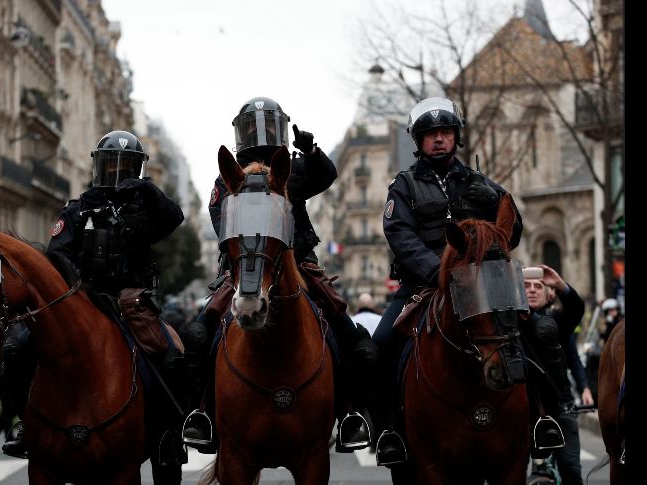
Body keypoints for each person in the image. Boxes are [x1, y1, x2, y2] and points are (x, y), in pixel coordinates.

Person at [180, 96, 378, 453]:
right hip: (244, 270)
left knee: (349, 334)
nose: (261, 133)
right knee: (198, 334)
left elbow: (327, 176)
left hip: (298, 262)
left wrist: (312, 151)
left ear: (281, 129)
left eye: (269, 125)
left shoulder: (292, 168)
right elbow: (222, 224)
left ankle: (350, 413)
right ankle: (203, 412)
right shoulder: (228, 179)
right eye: (253, 126)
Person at [0, 131, 188, 473]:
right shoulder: (77, 208)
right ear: (97, 167)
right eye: (110, 165)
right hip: (83, 299)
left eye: (126, 167)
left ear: (138, 170)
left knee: (171, 355)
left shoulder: (143, 206)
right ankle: (26, 424)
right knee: (16, 348)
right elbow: (57, 255)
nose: (117, 173)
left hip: (130, 299)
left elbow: (174, 218)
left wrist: (146, 189)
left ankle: (168, 434)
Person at [371, 96, 524, 467]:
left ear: (456, 137)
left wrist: (498, 199)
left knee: (538, 331)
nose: (439, 139)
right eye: (431, 134)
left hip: (485, 284)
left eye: (445, 132)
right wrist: (440, 273)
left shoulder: (481, 182)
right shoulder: (403, 186)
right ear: (419, 141)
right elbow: (400, 235)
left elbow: (512, 233)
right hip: (424, 285)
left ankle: (545, 417)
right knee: (379, 346)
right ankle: (388, 428)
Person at [522, 264, 590, 485]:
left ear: (547, 293)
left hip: (560, 407)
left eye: (538, 286)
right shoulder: (507, 323)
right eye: (526, 286)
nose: (532, 290)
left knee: (570, 468)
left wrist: (561, 285)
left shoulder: (559, 321)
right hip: (521, 410)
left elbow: (576, 310)